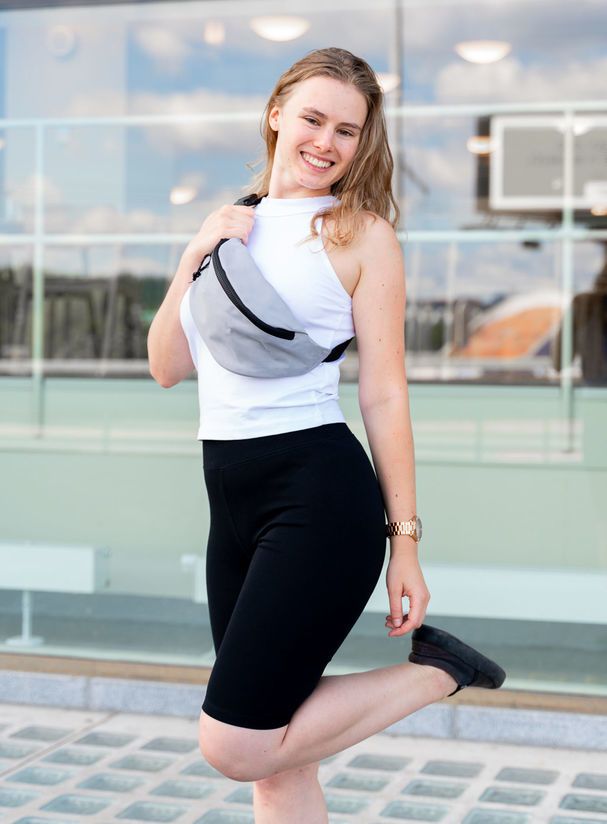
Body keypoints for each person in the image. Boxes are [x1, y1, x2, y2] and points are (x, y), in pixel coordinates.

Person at [148, 46, 505, 824]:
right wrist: (195, 253)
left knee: (236, 743)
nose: (326, 142)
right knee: (278, 765)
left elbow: (383, 392)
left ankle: (438, 670)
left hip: (315, 497)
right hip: (230, 503)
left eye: (347, 130)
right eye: (313, 119)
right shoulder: (229, 225)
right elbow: (167, 365)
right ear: (276, 113)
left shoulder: (359, 235)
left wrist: (404, 543)